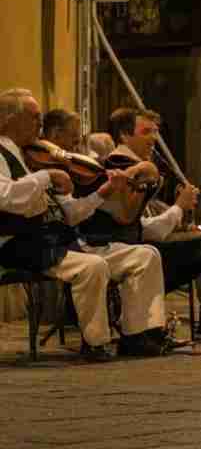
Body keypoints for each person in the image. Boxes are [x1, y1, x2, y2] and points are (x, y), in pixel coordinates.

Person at [0, 89, 169, 360]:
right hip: (22, 243)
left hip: (61, 240)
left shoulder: (35, 156)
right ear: (10, 119)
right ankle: (95, 343)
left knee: (146, 255)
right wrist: (47, 176)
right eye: (33, 117)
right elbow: (6, 197)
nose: (40, 123)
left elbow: (71, 214)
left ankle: (138, 335)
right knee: (93, 266)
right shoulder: (4, 155)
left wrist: (102, 192)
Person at [77, 108, 201, 331]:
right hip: (124, 246)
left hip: (138, 242)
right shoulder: (120, 166)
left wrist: (180, 217)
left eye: (155, 132)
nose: (154, 138)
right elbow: (143, 228)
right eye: (146, 132)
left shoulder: (138, 166)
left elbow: (145, 222)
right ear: (124, 135)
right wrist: (179, 207)